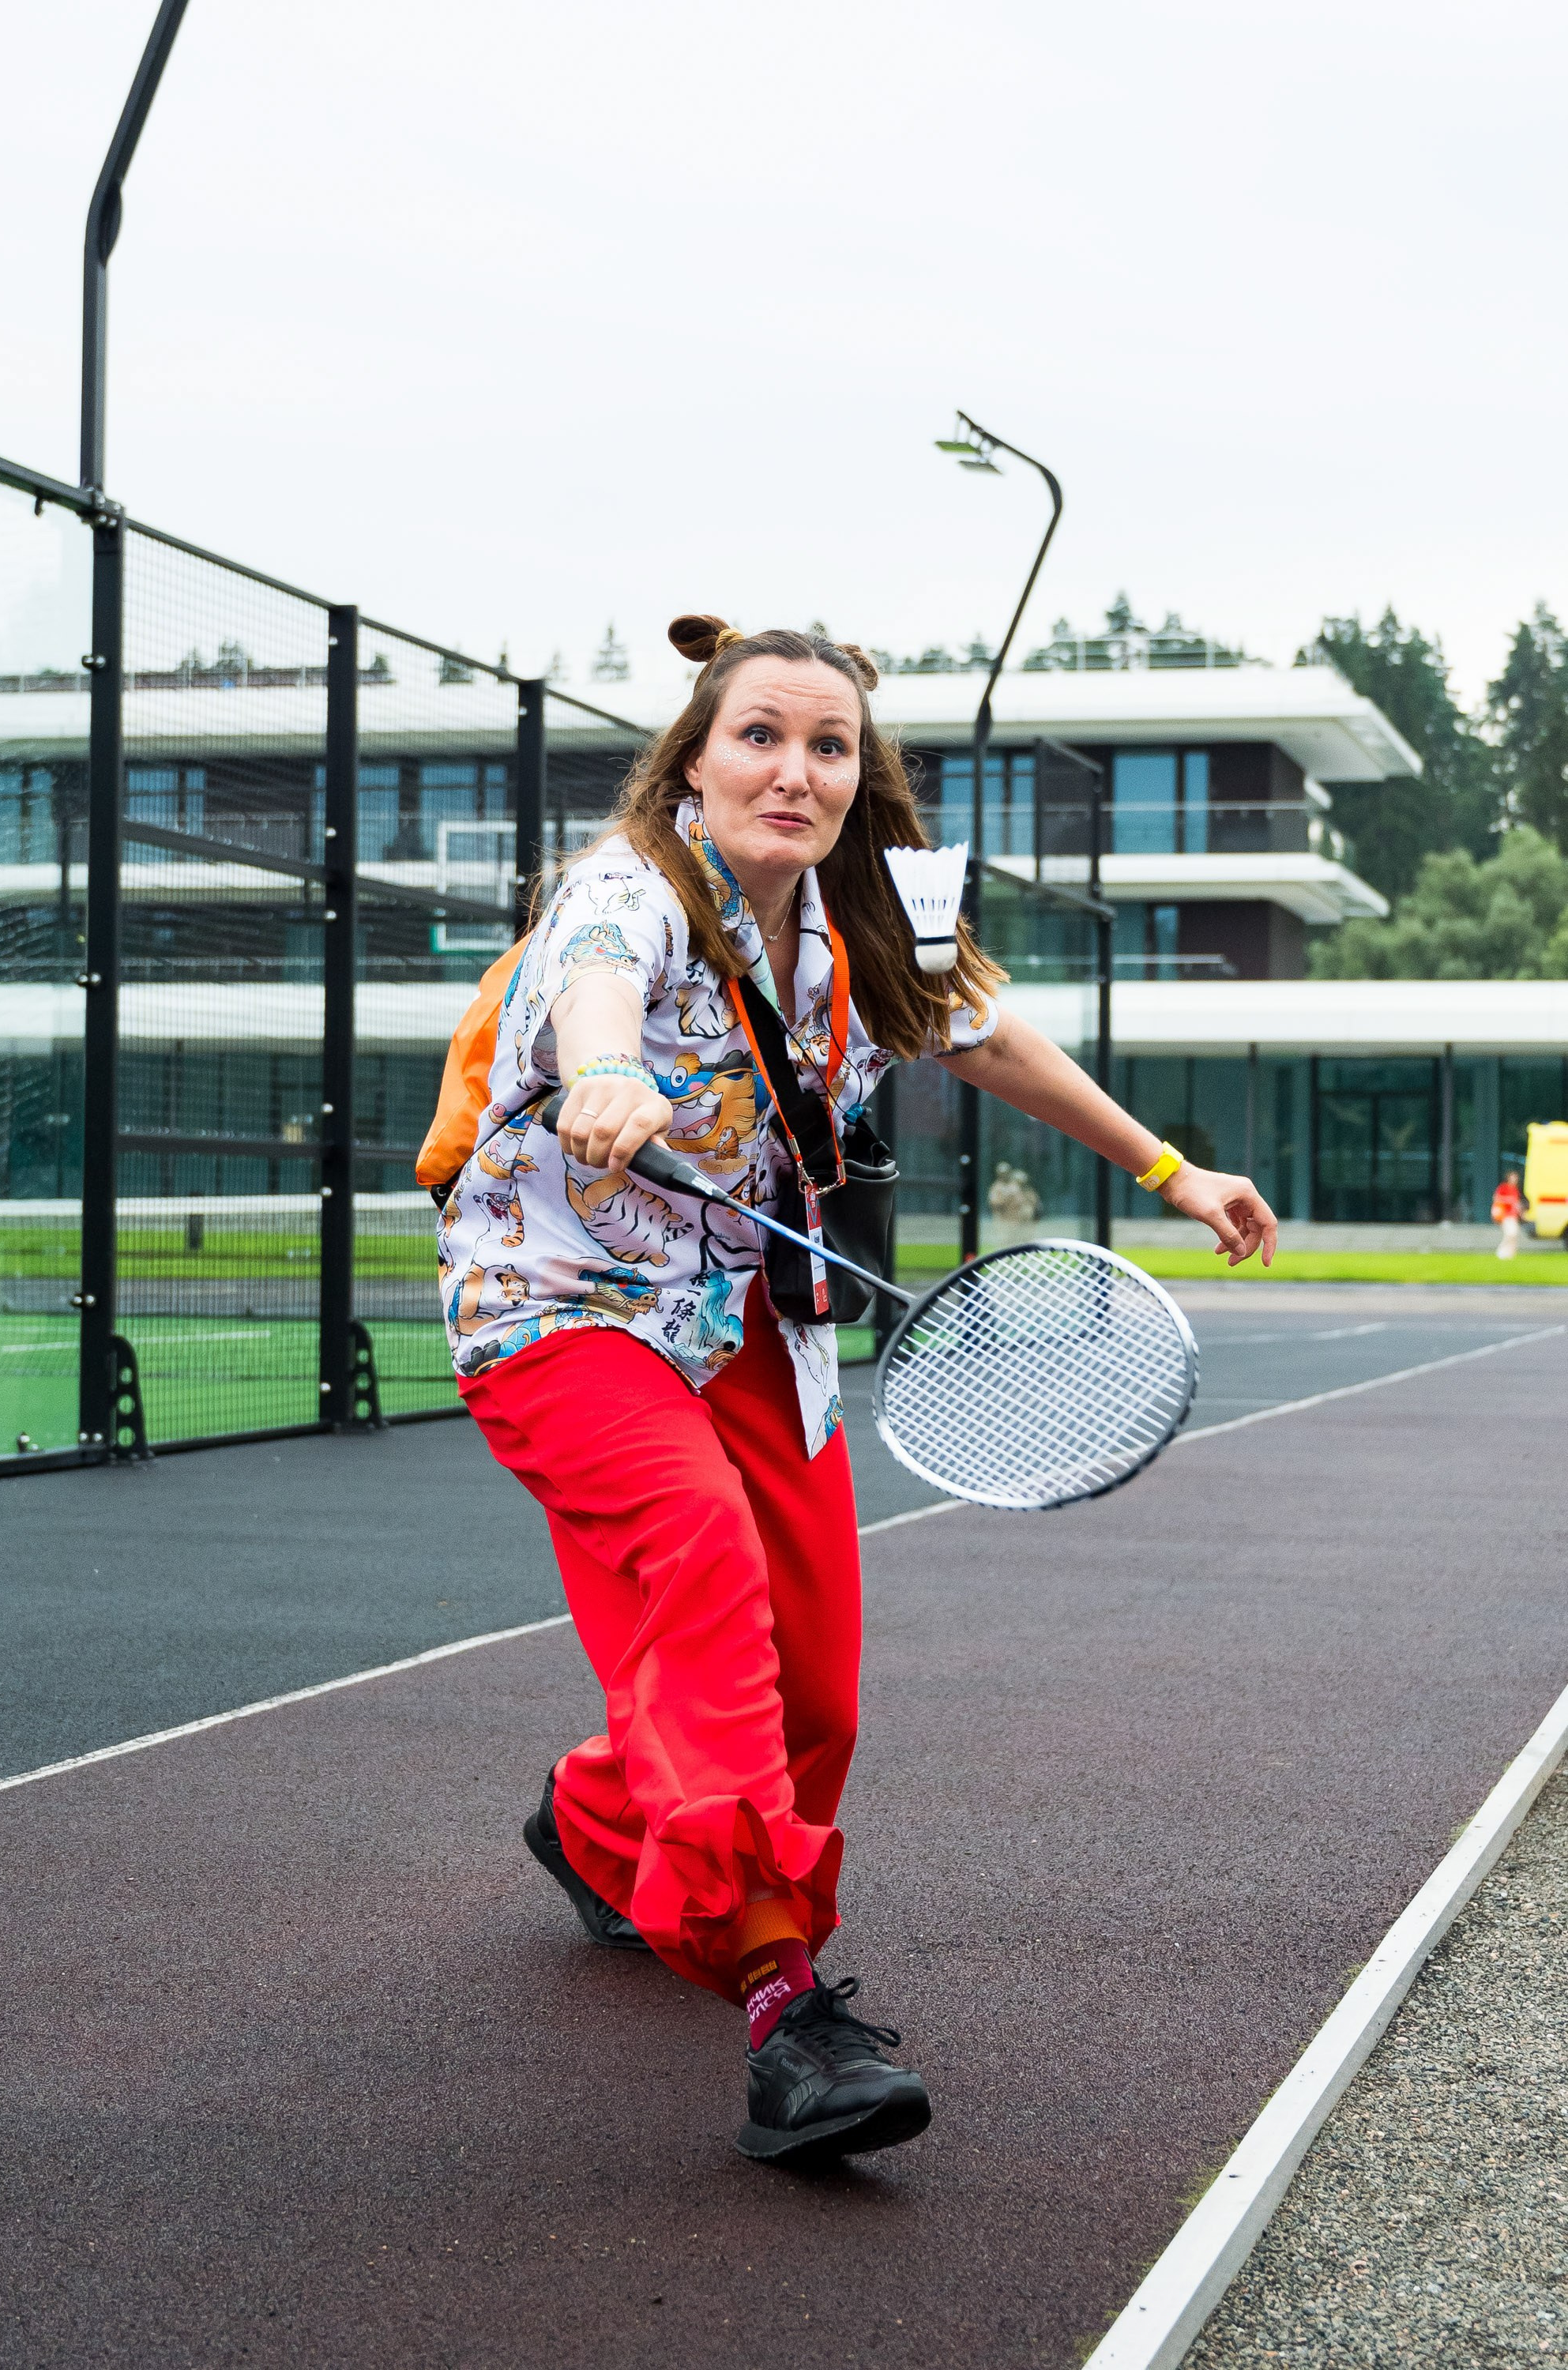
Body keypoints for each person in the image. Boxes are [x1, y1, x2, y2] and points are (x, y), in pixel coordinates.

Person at [432, 614, 1277, 2170]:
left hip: (756, 1320)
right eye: (759, 734)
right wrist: (605, 1066)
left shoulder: (869, 914)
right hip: (561, 1313)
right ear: (694, 757)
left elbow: (987, 1036)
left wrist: (1167, 1165)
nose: (794, 769)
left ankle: (600, 1813)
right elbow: (593, 983)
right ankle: (783, 2009)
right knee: (698, 1564)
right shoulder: (627, 885)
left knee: (812, 1694)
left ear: (854, 775)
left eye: (827, 746)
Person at [1492, 1168, 1523, 1258]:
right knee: (1509, 1234)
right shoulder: (1503, 1187)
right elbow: (1496, 1198)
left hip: (1513, 1215)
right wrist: (1509, 1200)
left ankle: (1511, 1253)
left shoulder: (1515, 1189)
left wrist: (1520, 1211)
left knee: (1514, 1234)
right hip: (1505, 1214)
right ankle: (1501, 1251)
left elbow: (1516, 1203)